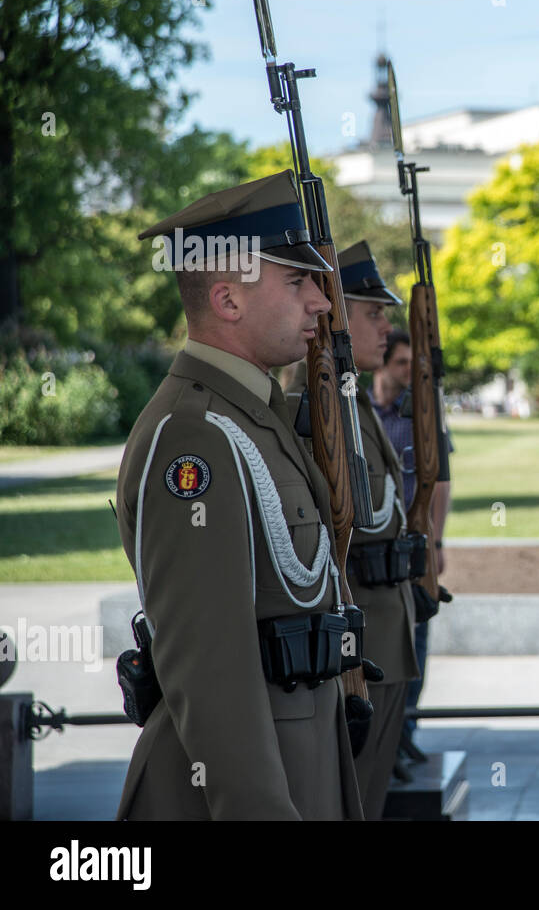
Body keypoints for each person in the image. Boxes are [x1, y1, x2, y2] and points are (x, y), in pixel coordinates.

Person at [115, 170, 363, 819]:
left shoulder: (252, 414)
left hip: (301, 766)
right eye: (298, 281)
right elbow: (210, 668)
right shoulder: (194, 436)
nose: (321, 302)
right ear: (227, 299)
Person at [285, 240, 421, 819]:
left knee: (371, 788)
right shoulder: (322, 402)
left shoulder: (354, 400)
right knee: (356, 794)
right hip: (360, 630)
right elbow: (361, 515)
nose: (387, 328)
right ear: (339, 319)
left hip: (384, 627)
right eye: (374, 313)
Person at [369, 329, 454, 763]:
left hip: (413, 546)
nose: (409, 370)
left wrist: (436, 540)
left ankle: (406, 730)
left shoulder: (422, 414)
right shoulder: (356, 409)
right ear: (383, 362)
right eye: (401, 362)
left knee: (417, 636)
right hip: (369, 550)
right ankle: (379, 733)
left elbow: (440, 479)